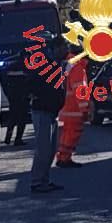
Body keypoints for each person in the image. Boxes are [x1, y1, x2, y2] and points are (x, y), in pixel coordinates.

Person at [27, 33, 69, 193]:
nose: (67, 49)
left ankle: (44, 179)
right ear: (57, 48)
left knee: (51, 149)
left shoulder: (57, 64)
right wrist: (43, 97)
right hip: (42, 111)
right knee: (43, 149)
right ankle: (37, 182)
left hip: (52, 112)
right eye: (65, 46)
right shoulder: (44, 65)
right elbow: (32, 83)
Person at [55, 56, 89, 168]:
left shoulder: (70, 66)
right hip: (75, 110)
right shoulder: (78, 68)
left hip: (69, 109)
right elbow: (80, 90)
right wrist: (84, 109)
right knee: (72, 135)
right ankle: (65, 158)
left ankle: (63, 157)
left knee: (67, 135)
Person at [3, 55, 30, 146]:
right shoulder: (27, 67)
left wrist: (8, 94)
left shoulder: (10, 66)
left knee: (13, 118)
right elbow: (29, 82)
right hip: (22, 96)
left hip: (13, 97)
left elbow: (4, 82)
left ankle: (8, 138)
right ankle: (18, 139)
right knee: (22, 119)